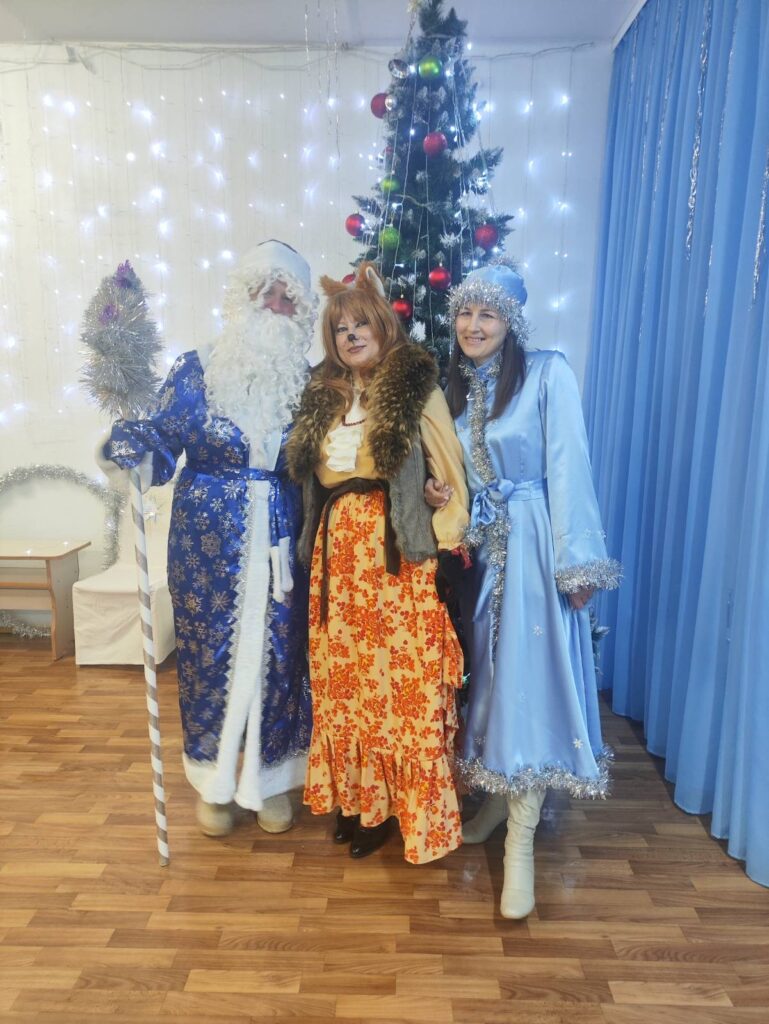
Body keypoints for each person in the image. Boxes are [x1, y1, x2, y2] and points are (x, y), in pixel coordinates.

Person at [425, 262, 621, 917]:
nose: (473, 325)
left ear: (510, 322)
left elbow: (569, 465)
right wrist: (442, 495)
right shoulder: (455, 389)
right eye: (465, 312)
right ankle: (495, 806)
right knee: (490, 685)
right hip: (483, 557)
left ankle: (521, 846)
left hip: (536, 548)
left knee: (530, 688)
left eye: (488, 314)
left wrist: (577, 565)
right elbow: (459, 474)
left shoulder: (546, 373)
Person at [104, 240, 316, 838]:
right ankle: (213, 782)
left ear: (300, 310)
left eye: (286, 297)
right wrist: (136, 449)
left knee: (279, 657)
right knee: (208, 657)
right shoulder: (196, 368)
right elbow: (164, 439)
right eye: (262, 291)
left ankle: (268, 782)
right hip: (206, 544)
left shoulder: (310, 383)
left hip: (281, 539)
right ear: (241, 296)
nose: (272, 304)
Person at [286, 262, 470, 864]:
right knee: (345, 685)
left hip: (395, 555)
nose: (351, 336)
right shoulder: (323, 396)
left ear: (383, 326)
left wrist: (444, 530)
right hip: (337, 558)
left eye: (361, 324)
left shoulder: (415, 388)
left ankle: (394, 809)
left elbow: (449, 470)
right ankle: (357, 798)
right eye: (341, 329)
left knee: (399, 689)